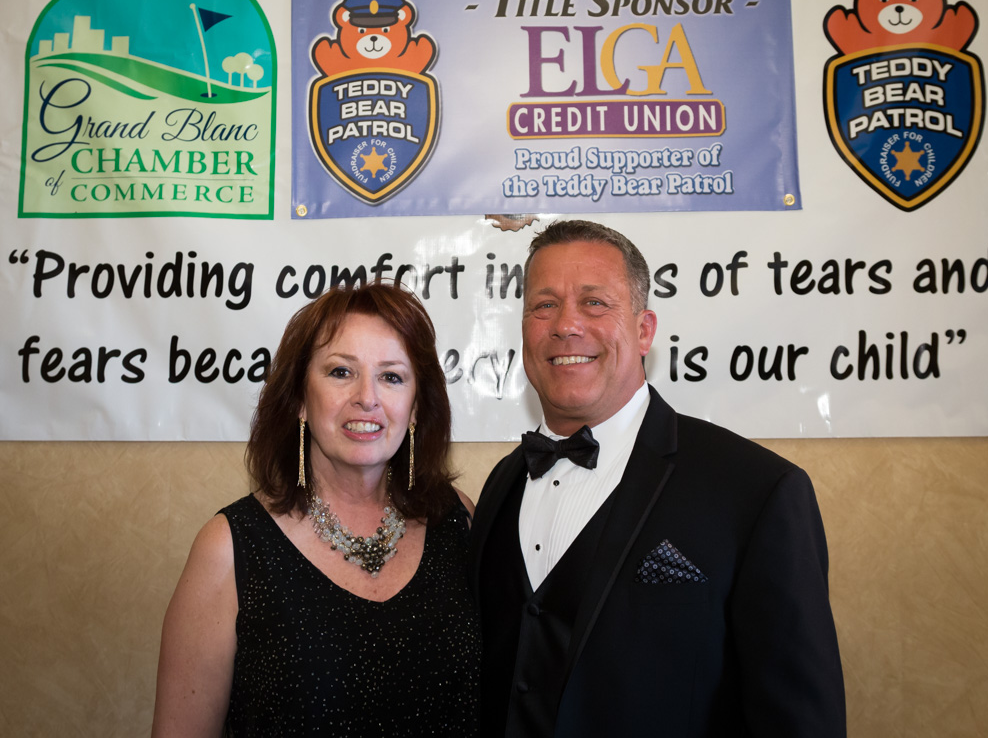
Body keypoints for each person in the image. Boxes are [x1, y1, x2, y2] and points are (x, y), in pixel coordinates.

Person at [469, 220, 846, 738]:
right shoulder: (501, 484)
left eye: (595, 303)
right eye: (544, 305)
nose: (566, 325)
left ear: (644, 330)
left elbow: (799, 721)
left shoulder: (758, 491)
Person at [152, 283, 480, 737]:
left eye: (391, 377)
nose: (367, 397)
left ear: (416, 407)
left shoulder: (458, 520)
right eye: (341, 372)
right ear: (301, 399)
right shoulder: (229, 549)